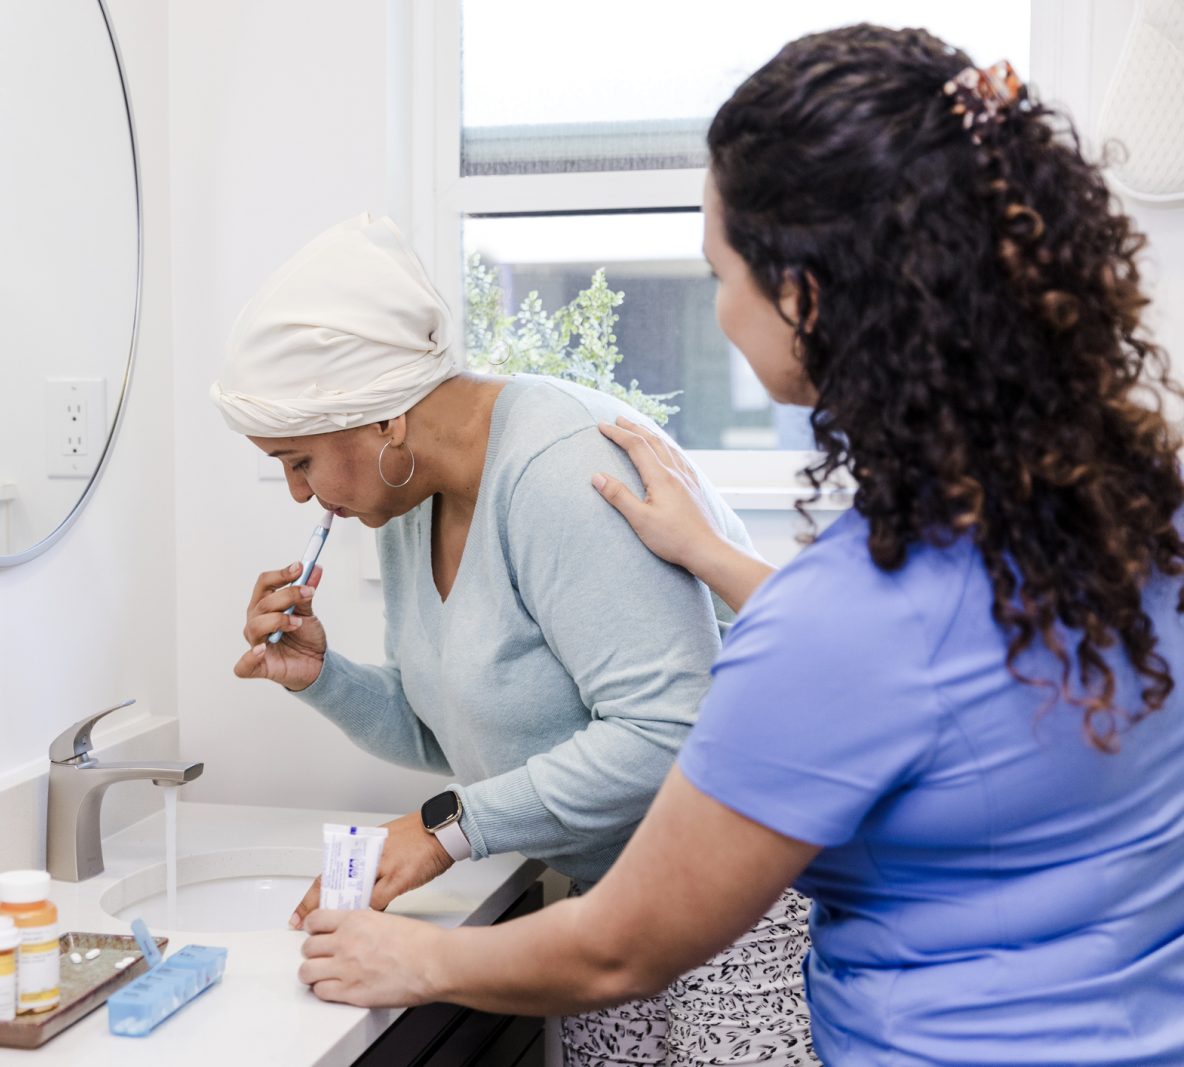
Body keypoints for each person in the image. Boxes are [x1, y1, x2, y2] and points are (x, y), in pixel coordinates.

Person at [295, 24, 1184, 1066]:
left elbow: (619, 949)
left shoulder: (846, 617)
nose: (717, 311)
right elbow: (938, 665)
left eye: (719, 272)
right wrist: (714, 557)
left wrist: (411, 959)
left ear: (803, 295)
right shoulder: (1128, 510)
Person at [213, 213, 818, 1064]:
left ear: (384, 419)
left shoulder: (563, 471)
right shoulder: (406, 496)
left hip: (745, 897)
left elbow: (671, 733)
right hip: (618, 893)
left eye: (299, 459)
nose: (297, 493)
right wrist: (324, 677)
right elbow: (467, 733)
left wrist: (443, 829)